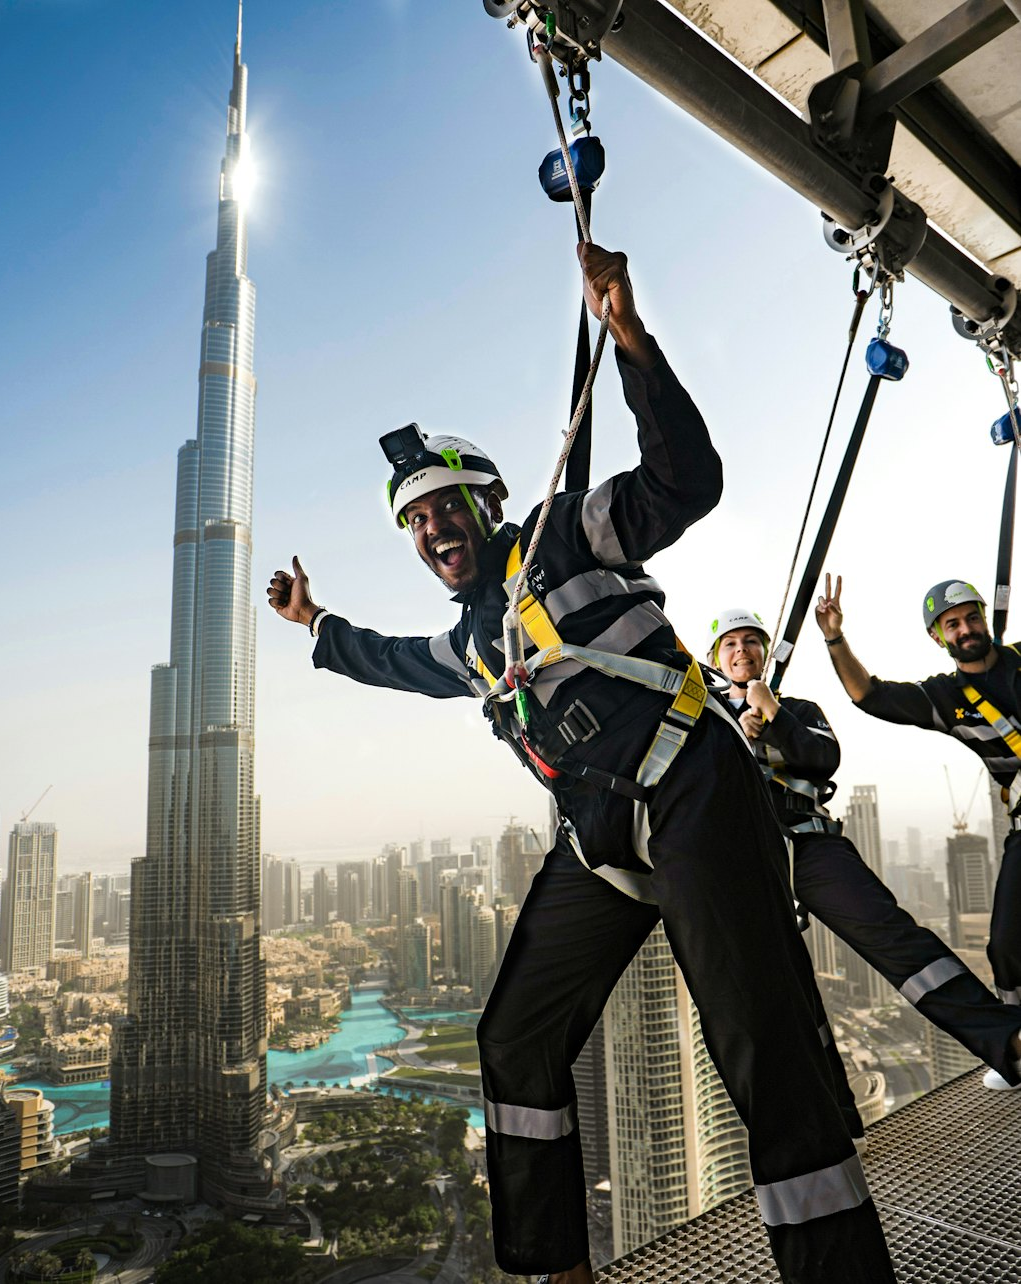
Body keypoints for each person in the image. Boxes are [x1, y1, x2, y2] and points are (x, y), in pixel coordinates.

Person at [268, 245, 894, 1284]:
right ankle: (558, 1270)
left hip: (692, 790)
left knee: (761, 1056)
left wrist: (632, 342)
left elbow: (684, 482)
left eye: (441, 510)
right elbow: (385, 660)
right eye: (413, 524)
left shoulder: (566, 533)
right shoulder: (470, 646)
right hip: (600, 841)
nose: (430, 534)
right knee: (513, 1038)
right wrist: (314, 624)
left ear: (483, 503)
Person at [712, 607, 1021, 1091]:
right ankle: (829, 1111)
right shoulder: (704, 720)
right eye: (730, 644)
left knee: (895, 939)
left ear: (765, 651)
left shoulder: (800, 711)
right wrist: (734, 730)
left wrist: (772, 715)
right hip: (737, 856)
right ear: (717, 659)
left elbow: (822, 759)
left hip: (807, 842)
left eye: (751, 641)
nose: (742, 651)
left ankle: (1009, 1041)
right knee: (763, 984)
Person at [816, 574, 1021, 1089]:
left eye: (972, 617)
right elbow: (868, 695)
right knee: (1007, 944)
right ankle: (1015, 1041)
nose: (966, 628)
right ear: (938, 637)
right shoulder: (945, 697)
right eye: (952, 624)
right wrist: (835, 638)